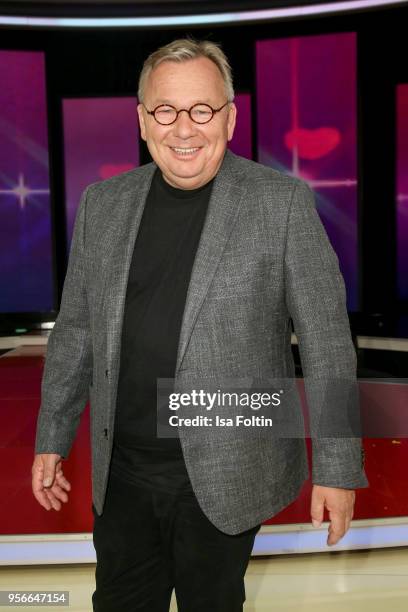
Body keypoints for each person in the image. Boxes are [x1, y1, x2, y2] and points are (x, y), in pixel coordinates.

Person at [32, 38, 368, 611]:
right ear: (142, 120)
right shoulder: (102, 205)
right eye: (165, 110)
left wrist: (337, 468)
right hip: (122, 475)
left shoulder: (281, 204)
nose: (183, 128)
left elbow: (328, 343)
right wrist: (52, 437)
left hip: (226, 475)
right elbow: (77, 331)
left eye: (202, 109)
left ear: (230, 118)